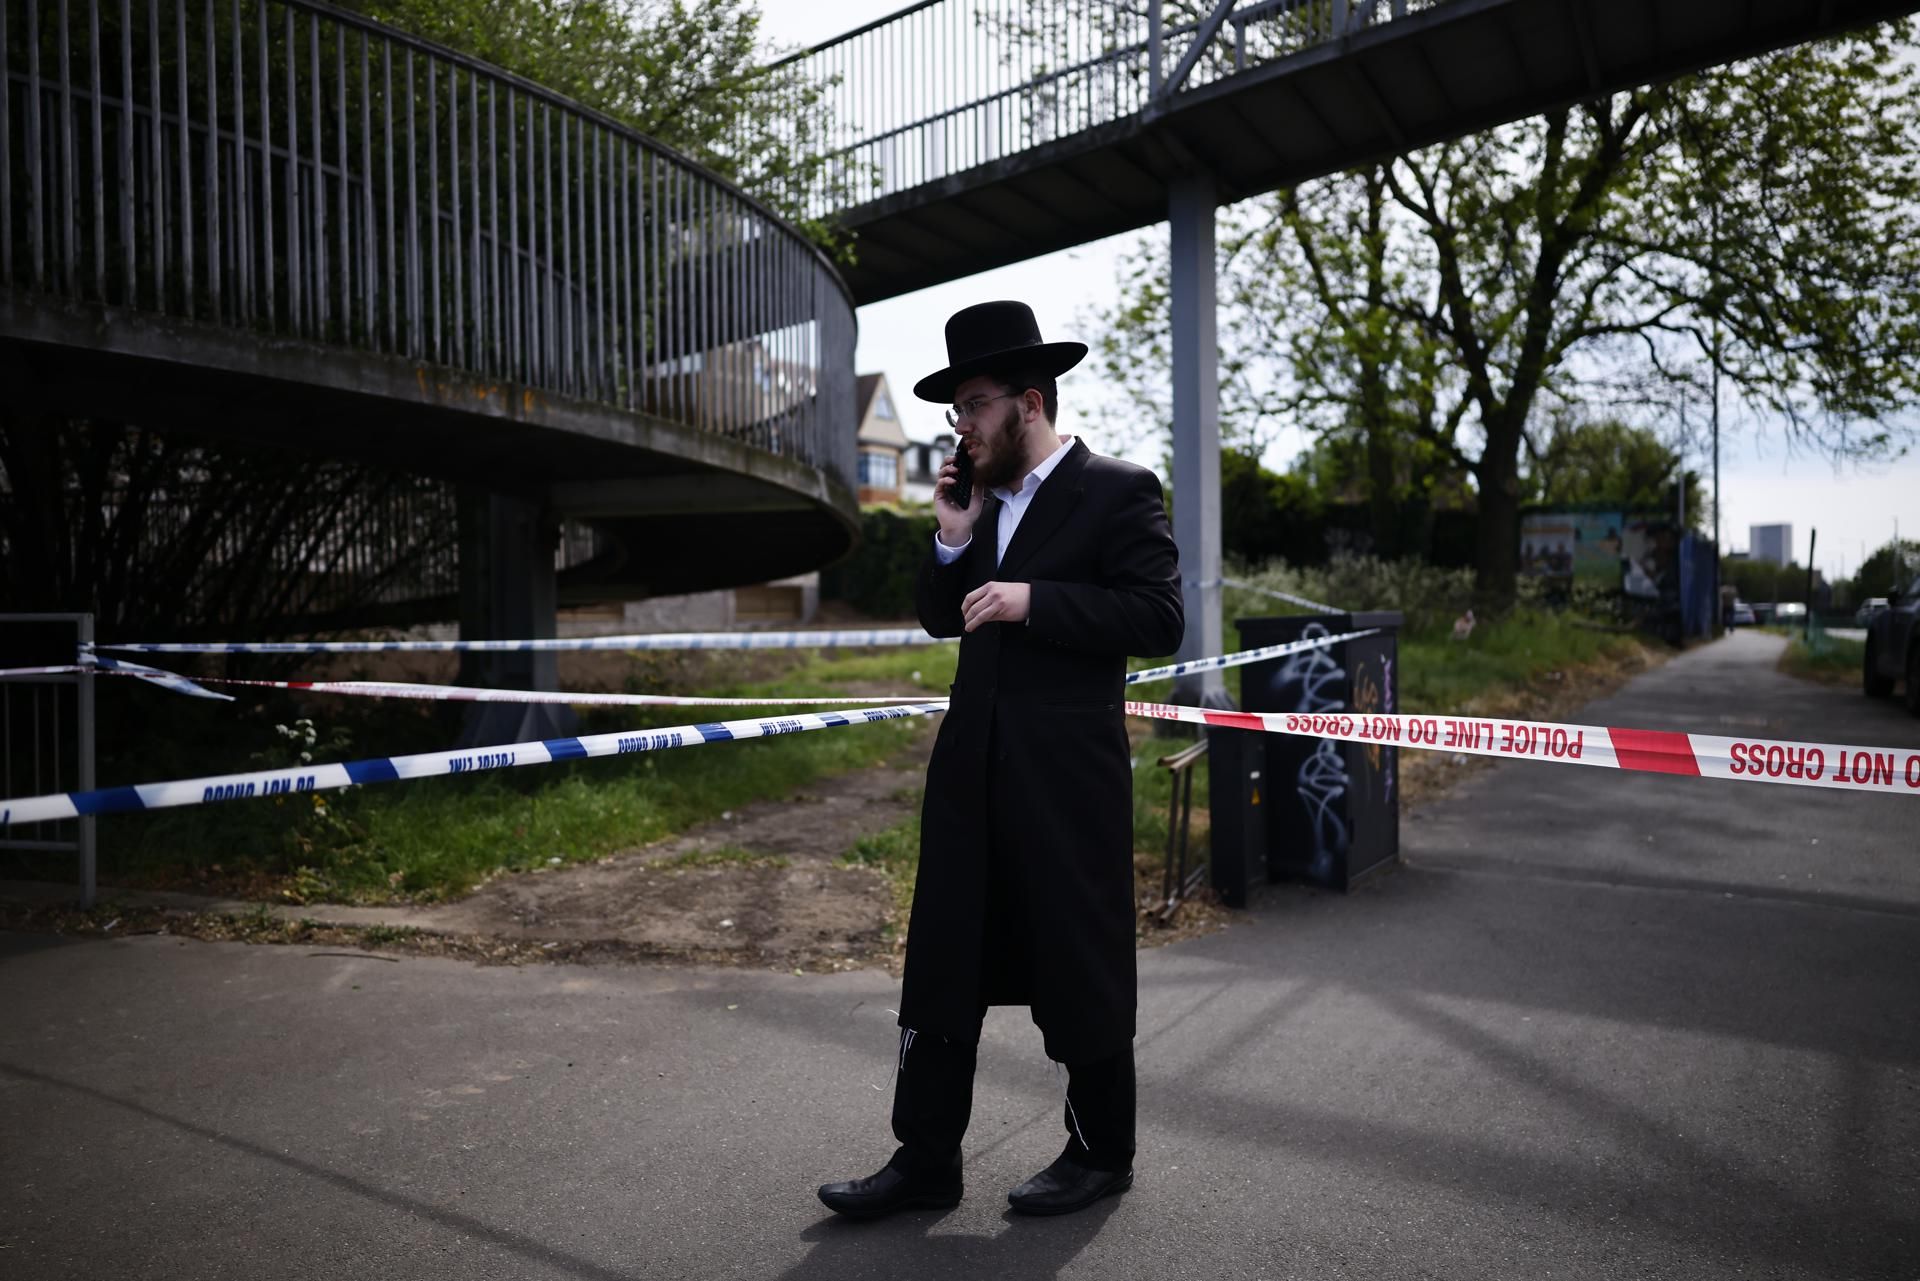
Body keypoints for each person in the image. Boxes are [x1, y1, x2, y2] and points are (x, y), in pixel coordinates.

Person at [817, 300, 1184, 1219]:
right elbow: (943, 616)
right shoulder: (976, 500)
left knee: (1078, 958)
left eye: (974, 405)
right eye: (954, 411)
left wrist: (1037, 601)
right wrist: (948, 534)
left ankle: (1102, 1152)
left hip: (1067, 783)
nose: (962, 426)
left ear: (1029, 400)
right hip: (970, 773)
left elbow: (1160, 619)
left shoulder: (1120, 489)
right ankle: (926, 1157)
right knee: (944, 961)